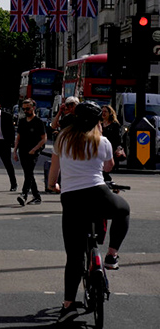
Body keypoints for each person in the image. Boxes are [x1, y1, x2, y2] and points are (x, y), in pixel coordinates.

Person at [47, 101, 129, 325]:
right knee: (123, 210)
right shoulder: (102, 142)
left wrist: (54, 186)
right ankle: (111, 255)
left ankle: (68, 303)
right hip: (98, 194)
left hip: (72, 200)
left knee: (74, 256)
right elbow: (108, 167)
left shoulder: (62, 139)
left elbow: (53, 177)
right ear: (97, 122)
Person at [13, 99, 47, 206]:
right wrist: (14, 151)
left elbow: (44, 138)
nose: (26, 111)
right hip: (22, 150)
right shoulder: (22, 121)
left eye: (27, 108)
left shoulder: (38, 122)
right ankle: (36, 196)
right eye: (24, 109)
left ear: (33, 107)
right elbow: (18, 137)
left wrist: (35, 149)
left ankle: (24, 194)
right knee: (28, 173)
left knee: (28, 173)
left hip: (33, 152)